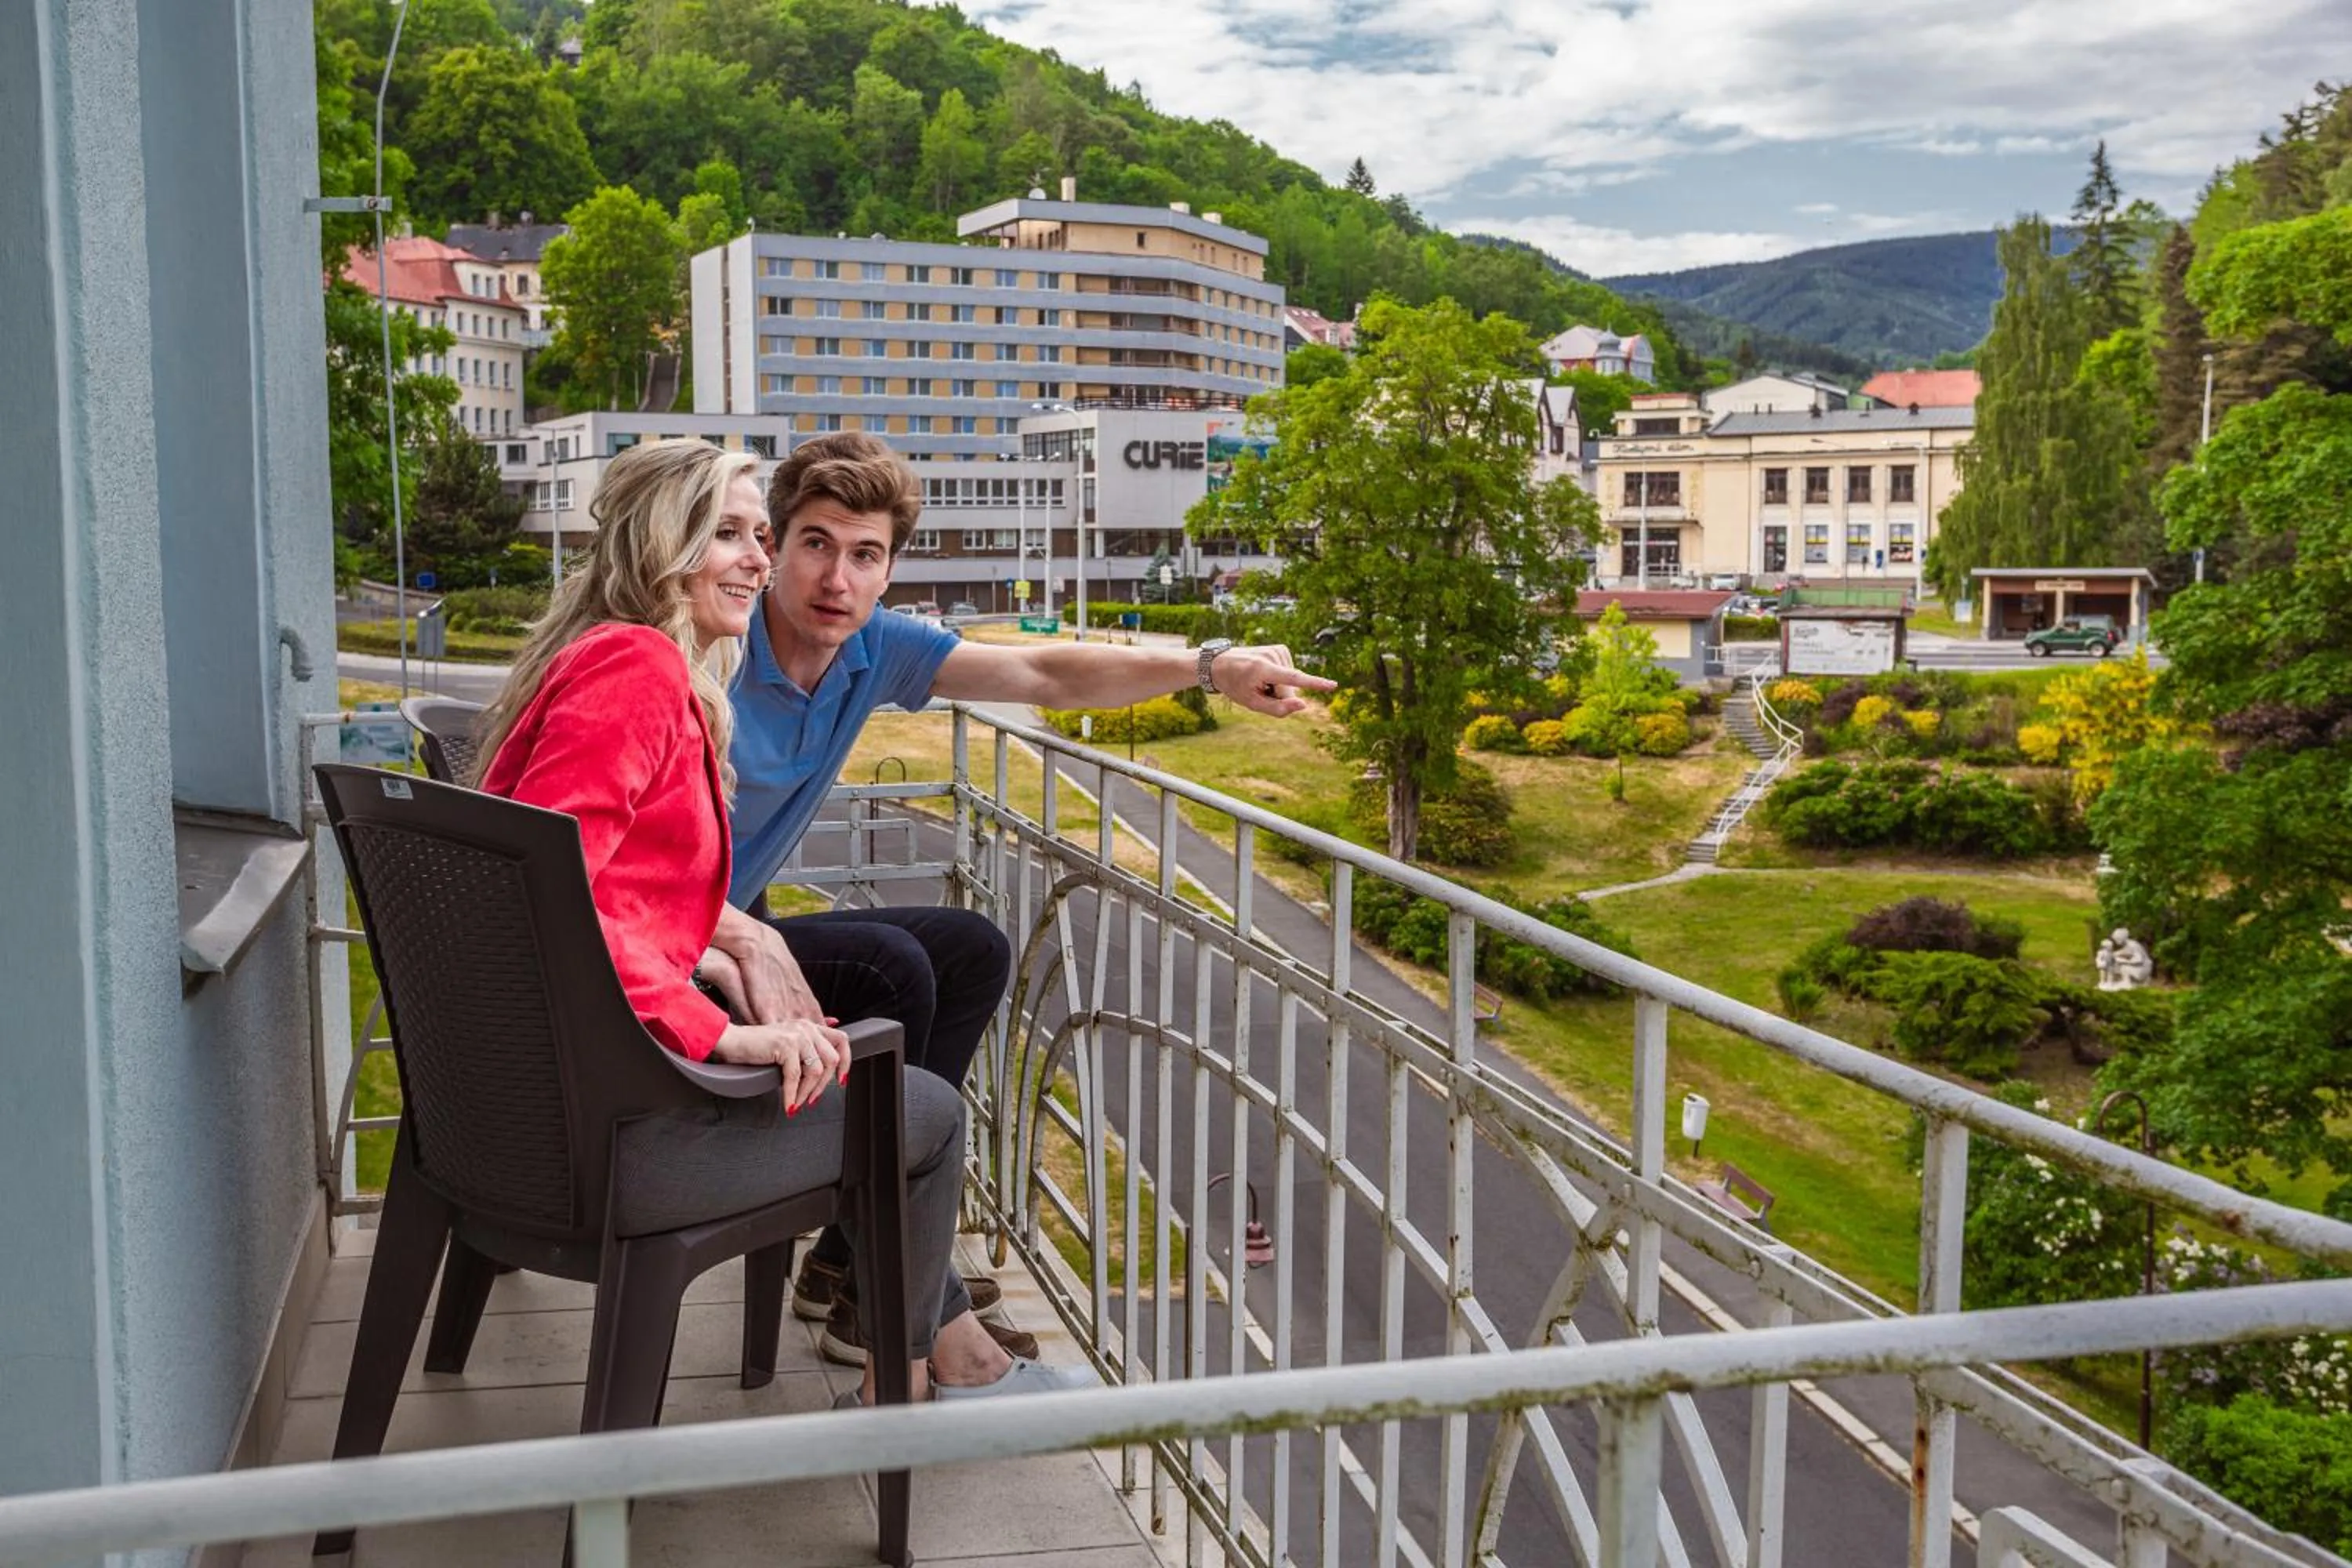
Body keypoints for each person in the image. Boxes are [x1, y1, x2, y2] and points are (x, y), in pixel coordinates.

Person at [695, 432, 1334, 1373]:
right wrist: (729, 933)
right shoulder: (715, 643)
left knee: (969, 949)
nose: (837, 576)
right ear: (774, 547)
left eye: (865, 554)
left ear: (889, 569)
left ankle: (849, 1262)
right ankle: (899, 1289)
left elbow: (1042, 673)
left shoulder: (874, 650)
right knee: (894, 970)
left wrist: (1211, 667)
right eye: (816, 544)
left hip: (742, 930)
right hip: (686, 946)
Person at [468, 437, 1011, 1403]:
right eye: (731, 533)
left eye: (760, 534)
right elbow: (550, 900)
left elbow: (595, 883)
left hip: (547, 1107)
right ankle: (917, 1381)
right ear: (658, 543)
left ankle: (902, 1326)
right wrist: (723, 1031)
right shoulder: (635, 667)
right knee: (921, 1113)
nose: (761, 560)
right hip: (612, 1139)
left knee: (915, 1006)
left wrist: (726, 945)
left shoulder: (617, 657)